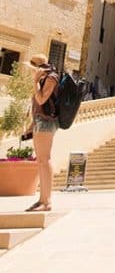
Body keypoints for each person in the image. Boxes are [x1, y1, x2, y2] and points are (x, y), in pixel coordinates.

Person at [25, 53, 59, 213]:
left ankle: (47, 201)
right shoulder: (44, 78)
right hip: (40, 121)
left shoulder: (51, 78)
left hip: (47, 122)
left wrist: (35, 82)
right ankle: (42, 199)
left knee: (45, 160)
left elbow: (41, 100)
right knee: (41, 161)